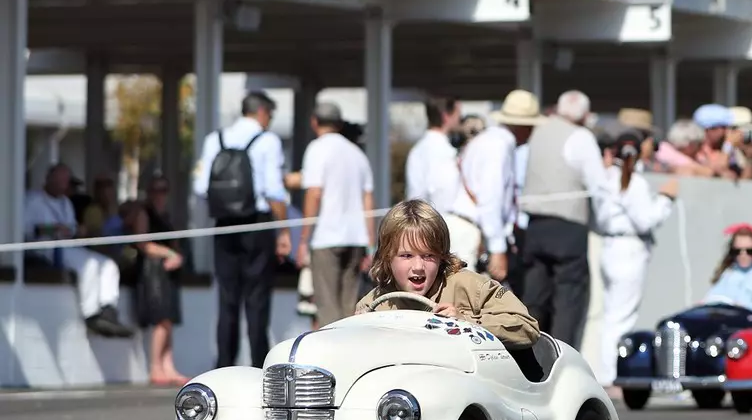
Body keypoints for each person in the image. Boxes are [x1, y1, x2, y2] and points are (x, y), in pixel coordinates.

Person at [354, 201, 538, 346]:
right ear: (387, 257)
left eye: (428, 256)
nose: (418, 266)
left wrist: (464, 323)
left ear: (442, 256)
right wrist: (360, 331)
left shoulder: (469, 287)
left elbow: (527, 327)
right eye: (406, 255)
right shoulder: (374, 304)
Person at [193, 92, 291, 367]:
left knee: (227, 298)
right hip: (256, 224)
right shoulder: (267, 141)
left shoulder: (215, 139)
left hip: (224, 224)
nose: (269, 121)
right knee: (257, 298)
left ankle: (224, 364)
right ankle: (259, 366)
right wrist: (283, 232)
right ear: (261, 111)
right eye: (270, 115)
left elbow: (200, 187)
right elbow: (274, 190)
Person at [588, 133, 679, 391]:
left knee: (610, 315)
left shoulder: (605, 179)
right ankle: (612, 376)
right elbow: (646, 220)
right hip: (628, 249)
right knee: (621, 317)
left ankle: (605, 373)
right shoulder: (634, 182)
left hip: (609, 246)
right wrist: (666, 200)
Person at [519, 91, 606, 348]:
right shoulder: (580, 137)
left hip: (535, 224)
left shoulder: (539, 132)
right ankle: (562, 357)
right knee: (569, 299)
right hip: (568, 225)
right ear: (583, 115)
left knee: (534, 297)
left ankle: (526, 354)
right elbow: (597, 185)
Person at [24, 163, 132, 338]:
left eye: (65, 181)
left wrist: (76, 230)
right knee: (88, 265)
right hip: (44, 249)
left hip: (68, 246)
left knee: (108, 264)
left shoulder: (65, 202)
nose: (63, 184)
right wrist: (53, 229)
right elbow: (26, 230)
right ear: (49, 179)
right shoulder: (32, 199)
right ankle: (91, 315)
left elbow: (72, 228)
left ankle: (108, 310)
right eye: (60, 180)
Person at [297, 101, 376, 327]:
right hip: (355, 238)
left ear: (314, 122)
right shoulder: (357, 153)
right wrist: (370, 243)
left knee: (327, 309)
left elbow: (314, 193)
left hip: (326, 237)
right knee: (350, 307)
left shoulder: (316, 149)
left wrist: (304, 238)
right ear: (339, 124)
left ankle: (331, 361)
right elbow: (367, 199)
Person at [455, 89, 540, 280]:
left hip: (472, 229)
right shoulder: (498, 147)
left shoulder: (489, 141)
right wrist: (498, 248)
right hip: (474, 232)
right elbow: (490, 198)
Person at [122, 188, 187, 385]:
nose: (161, 194)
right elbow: (143, 243)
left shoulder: (165, 216)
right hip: (152, 272)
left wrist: (178, 257)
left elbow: (174, 244)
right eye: (157, 189)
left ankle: (168, 366)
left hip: (167, 273)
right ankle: (156, 367)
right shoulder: (144, 213)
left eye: (164, 189)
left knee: (168, 320)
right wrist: (169, 254)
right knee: (160, 319)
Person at [404, 97, 462, 203]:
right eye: (458, 113)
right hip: (442, 217)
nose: (459, 119)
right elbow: (443, 195)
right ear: (445, 116)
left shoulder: (417, 150)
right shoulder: (442, 152)